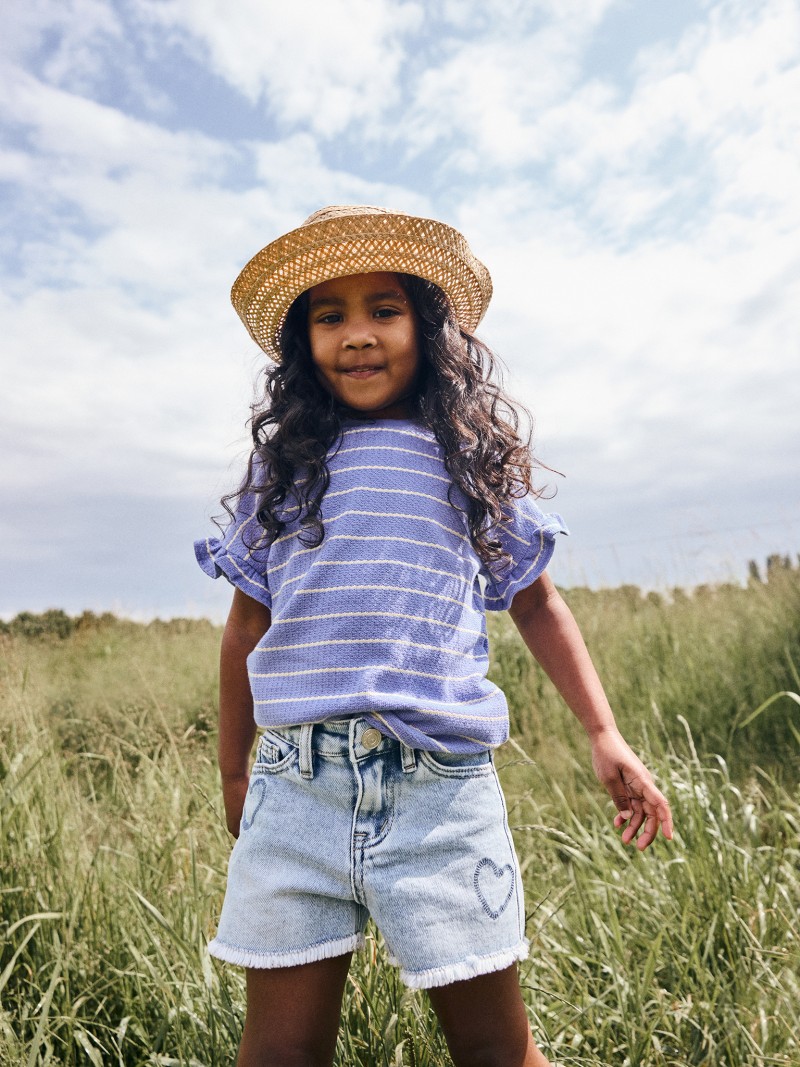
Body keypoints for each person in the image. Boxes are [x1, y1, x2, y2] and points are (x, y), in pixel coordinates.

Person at [195, 205, 673, 1067]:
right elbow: (244, 628)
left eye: (384, 308)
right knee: (277, 1053)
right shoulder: (287, 468)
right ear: (304, 342)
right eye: (329, 315)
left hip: (439, 793)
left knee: (497, 1049)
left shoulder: (464, 457)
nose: (358, 335)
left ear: (427, 322)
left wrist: (605, 733)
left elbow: (536, 604)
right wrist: (233, 771)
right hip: (296, 790)